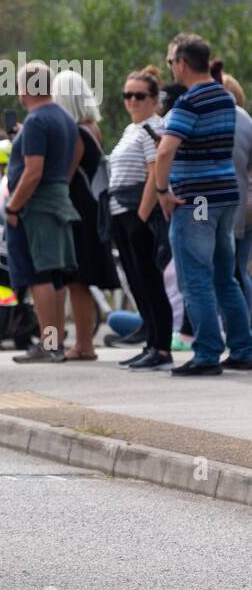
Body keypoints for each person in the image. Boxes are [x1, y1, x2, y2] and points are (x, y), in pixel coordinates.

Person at [154, 34, 252, 375]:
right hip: (226, 195)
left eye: (170, 62)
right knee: (226, 276)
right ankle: (242, 348)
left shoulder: (190, 102)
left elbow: (165, 150)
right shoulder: (226, 99)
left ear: (181, 63)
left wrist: (161, 189)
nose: (171, 68)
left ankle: (207, 352)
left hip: (197, 200)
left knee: (195, 277)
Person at [4, 61, 81, 363]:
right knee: (55, 275)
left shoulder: (36, 121)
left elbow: (33, 171)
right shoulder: (63, 117)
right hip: (58, 201)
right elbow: (73, 155)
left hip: (35, 207)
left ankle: (49, 344)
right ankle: (56, 341)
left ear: (25, 90)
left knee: (39, 276)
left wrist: (14, 206)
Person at [107, 68, 172, 370]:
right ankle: (150, 343)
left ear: (154, 99)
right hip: (121, 213)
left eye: (139, 95)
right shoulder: (130, 129)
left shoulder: (153, 127)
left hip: (138, 215)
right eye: (127, 95)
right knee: (137, 282)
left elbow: (153, 173)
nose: (132, 100)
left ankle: (161, 347)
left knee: (150, 280)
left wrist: (143, 217)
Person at [53, 69, 119, 360]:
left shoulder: (77, 133)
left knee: (77, 280)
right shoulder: (93, 127)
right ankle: (83, 343)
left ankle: (83, 344)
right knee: (81, 280)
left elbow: (64, 175)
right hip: (91, 210)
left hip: (79, 212)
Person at [211, 62, 252, 308]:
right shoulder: (245, 120)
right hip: (243, 206)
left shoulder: (228, 121)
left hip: (231, 206)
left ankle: (243, 327)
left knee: (231, 270)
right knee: (237, 268)